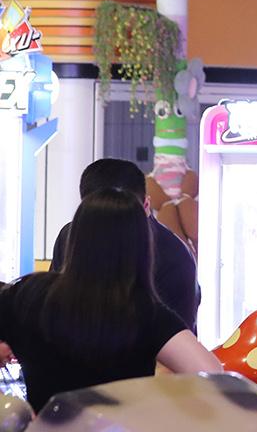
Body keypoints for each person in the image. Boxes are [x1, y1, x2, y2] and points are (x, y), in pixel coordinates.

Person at [0, 188, 222, 411]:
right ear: (142, 246)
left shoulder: (30, 294)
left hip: (44, 430)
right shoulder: (146, 313)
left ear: (75, 237)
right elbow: (213, 376)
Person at [51, 157, 199, 331]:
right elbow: (54, 310)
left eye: (125, 214)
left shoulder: (175, 257)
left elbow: (179, 334)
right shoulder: (68, 238)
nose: (113, 228)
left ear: (146, 205)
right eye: (100, 214)